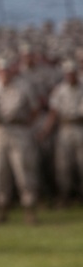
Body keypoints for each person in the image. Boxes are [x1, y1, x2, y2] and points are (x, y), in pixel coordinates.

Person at [0, 57, 42, 224]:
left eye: (7, 70)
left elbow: (35, 109)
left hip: (20, 130)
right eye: (1, 70)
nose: (4, 73)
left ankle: (29, 209)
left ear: (12, 70)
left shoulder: (24, 86)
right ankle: (1, 208)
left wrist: (25, 125)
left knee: (24, 169)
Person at [44, 59, 83, 207]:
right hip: (64, 129)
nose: (70, 76)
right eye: (68, 73)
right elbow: (53, 113)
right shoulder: (59, 90)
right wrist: (45, 131)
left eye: (72, 73)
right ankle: (65, 196)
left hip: (81, 127)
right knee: (63, 166)